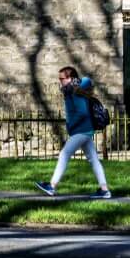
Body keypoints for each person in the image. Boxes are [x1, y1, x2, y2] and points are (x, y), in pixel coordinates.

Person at [36, 65, 111, 199]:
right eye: (59, 78)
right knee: (94, 160)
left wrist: (71, 125)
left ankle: (52, 186)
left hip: (81, 130)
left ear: (71, 78)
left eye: (62, 78)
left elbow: (82, 112)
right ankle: (104, 190)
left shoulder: (75, 91)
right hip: (85, 130)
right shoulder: (72, 90)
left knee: (64, 154)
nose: (60, 81)